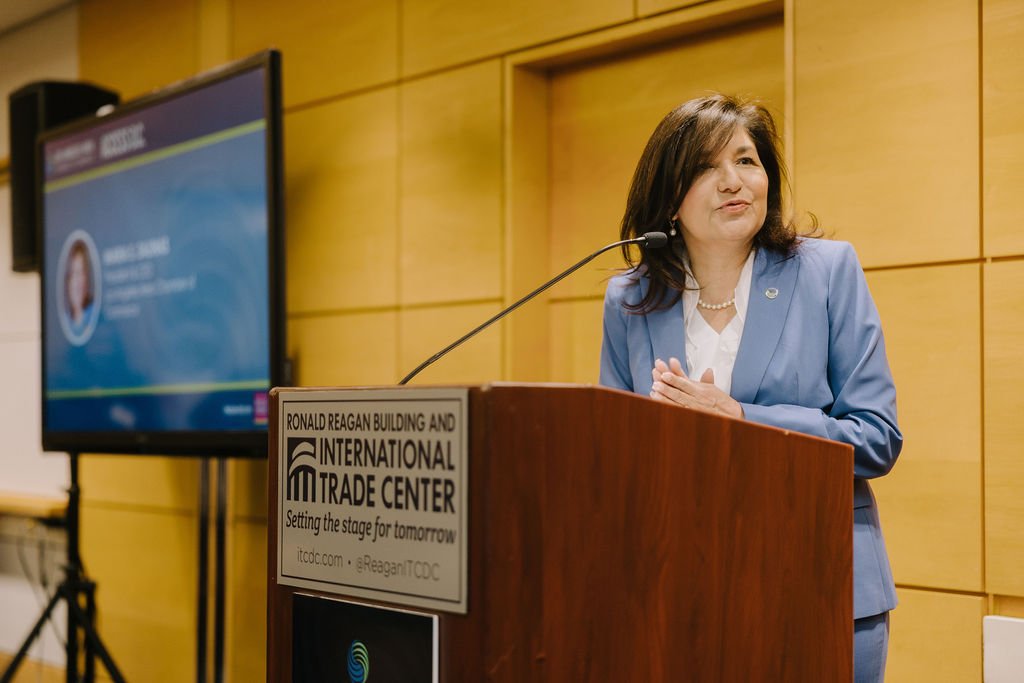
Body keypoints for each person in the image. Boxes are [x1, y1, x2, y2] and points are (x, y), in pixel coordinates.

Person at [599, 94, 902, 683]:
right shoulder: (630, 300)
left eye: (747, 160)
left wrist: (740, 418)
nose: (733, 181)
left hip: (821, 581)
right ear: (669, 196)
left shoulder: (828, 272)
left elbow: (876, 439)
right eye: (708, 167)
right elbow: (616, 457)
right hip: (679, 591)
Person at [65, 239, 96, 338]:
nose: (76, 282)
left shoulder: (96, 317)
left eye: (81, 273)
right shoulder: (66, 323)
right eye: (73, 274)